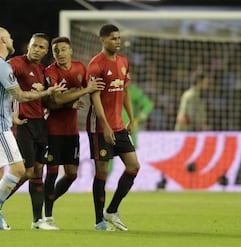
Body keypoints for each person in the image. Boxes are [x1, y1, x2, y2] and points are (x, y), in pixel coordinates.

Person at [0, 27, 66, 230]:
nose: (13, 38)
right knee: (19, 169)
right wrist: (48, 92)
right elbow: (21, 96)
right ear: (2, 40)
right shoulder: (4, 66)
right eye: (9, 36)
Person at [43, 37, 105, 229]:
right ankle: (47, 217)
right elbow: (56, 99)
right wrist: (77, 94)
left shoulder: (80, 68)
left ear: (70, 51)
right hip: (52, 129)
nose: (60, 53)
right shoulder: (50, 72)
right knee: (52, 172)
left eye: (63, 49)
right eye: (56, 51)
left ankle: (48, 201)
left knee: (71, 174)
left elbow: (92, 90)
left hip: (71, 131)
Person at [86, 24, 140, 231]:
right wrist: (106, 126)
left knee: (133, 166)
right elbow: (95, 98)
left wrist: (131, 118)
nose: (117, 41)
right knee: (101, 170)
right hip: (100, 126)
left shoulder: (123, 61)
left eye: (118, 38)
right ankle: (99, 221)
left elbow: (125, 91)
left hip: (118, 124)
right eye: (113, 38)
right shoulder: (96, 65)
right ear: (102, 40)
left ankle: (112, 210)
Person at [6, 33, 58, 230]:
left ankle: (37, 221)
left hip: (40, 125)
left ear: (46, 52)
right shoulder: (16, 64)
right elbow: (2, 84)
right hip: (23, 123)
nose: (37, 49)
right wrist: (10, 112)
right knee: (26, 171)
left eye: (41, 47)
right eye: (34, 45)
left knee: (37, 172)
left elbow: (43, 100)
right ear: (28, 46)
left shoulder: (42, 71)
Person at [121, 83, 153, 147]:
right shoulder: (110, 88)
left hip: (129, 126)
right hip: (113, 125)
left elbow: (148, 104)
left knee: (130, 150)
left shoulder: (134, 91)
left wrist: (143, 114)